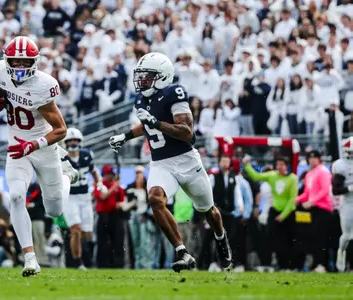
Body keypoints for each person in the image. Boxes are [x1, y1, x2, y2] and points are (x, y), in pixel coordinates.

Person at [108, 52, 233, 272]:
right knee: (155, 199)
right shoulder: (141, 99)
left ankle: (221, 238)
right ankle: (182, 252)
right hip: (160, 163)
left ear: (163, 77)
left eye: (148, 76)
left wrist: (156, 123)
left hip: (186, 160)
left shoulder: (174, 93)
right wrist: (125, 135)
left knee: (208, 210)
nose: (142, 80)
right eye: (141, 76)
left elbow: (186, 133)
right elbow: (146, 126)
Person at [0, 36, 78, 277]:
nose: (20, 67)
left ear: (34, 62)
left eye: (25, 62)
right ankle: (30, 258)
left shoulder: (44, 85)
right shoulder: (0, 72)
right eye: (16, 62)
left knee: (54, 210)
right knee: (17, 196)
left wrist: (32, 145)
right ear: (7, 61)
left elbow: (61, 130)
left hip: (43, 148)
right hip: (16, 147)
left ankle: (67, 176)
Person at [243, 156, 298, 270]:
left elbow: (292, 199)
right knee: (273, 239)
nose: (279, 167)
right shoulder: (272, 175)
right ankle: (279, 265)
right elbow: (256, 176)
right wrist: (247, 165)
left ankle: (290, 266)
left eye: (282, 164)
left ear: (286, 166)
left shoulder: (292, 178)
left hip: (287, 212)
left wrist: (283, 215)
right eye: (278, 164)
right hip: (274, 210)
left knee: (288, 240)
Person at [62, 128, 100, 270]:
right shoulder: (63, 159)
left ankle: (86, 259)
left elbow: (94, 172)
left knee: (87, 233)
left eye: (75, 140)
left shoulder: (86, 155)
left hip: (85, 197)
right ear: (66, 143)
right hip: (70, 197)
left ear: (80, 141)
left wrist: (99, 183)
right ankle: (78, 262)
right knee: (76, 229)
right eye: (70, 140)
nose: (72, 143)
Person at [296, 150, 333, 272]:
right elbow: (307, 193)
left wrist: (312, 201)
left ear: (319, 159)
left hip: (323, 208)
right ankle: (317, 263)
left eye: (314, 158)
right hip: (313, 209)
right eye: (310, 158)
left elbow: (325, 190)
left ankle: (322, 264)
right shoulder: (309, 174)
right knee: (314, 237)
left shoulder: (323, 171)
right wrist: (297, 199)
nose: (312, 160)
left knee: (321, 237)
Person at [331, 137, 353, 272]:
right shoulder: (341, 165)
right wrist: (350, 188)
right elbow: (335, 190)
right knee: (347, 235)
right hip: (348, 202)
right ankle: (341, 251)